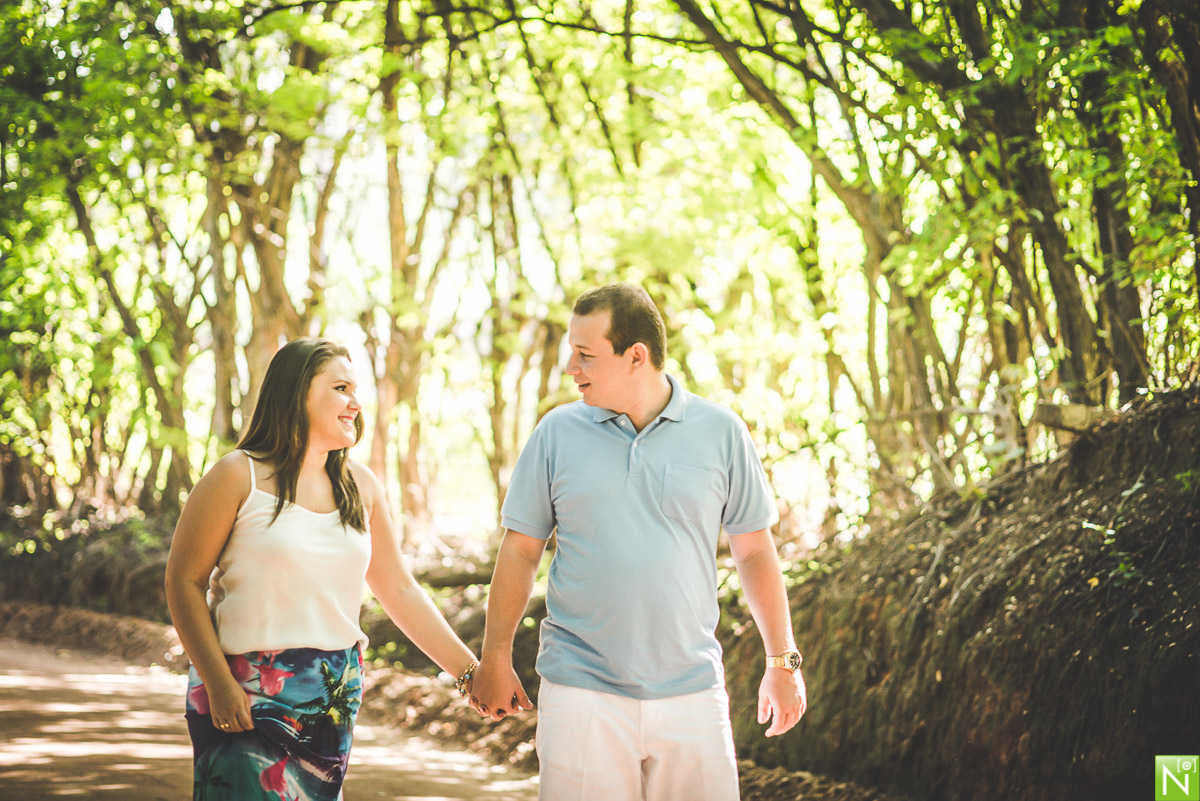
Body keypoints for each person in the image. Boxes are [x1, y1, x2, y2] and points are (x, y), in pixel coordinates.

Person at [469, 283, 808, 801]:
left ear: (636, 357)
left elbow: (755, 550)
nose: (570, 368)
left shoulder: (721, 432)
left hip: (692, 691)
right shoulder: (556, 433)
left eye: (585, 355)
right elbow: (520, 550)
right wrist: (494, 655)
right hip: (581, 689)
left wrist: (781, 660)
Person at [165, 337, 479, 801]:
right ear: (297, 394)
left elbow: (398, 590)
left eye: (356, 391)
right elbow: (183, 582)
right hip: (246, 691)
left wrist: (470, 673)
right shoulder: (236, 476)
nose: (355, 403)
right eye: (341, 388)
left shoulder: (361, 486)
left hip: (332, 696)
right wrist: (218, 681)